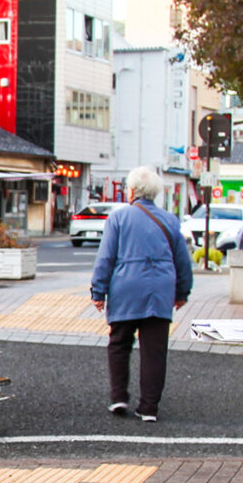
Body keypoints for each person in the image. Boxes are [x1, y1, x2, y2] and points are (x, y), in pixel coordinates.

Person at [89, 166, 195, 420]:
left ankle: (118, 398)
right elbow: (183, 261)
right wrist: (182, 291)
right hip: (160, 290)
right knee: (154, 350)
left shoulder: (118, 218)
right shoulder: (170, 220)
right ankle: (149, 407)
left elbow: (106, 258)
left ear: (133, 191)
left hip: (126, 288)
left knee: (119, 344)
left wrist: (98, 290)